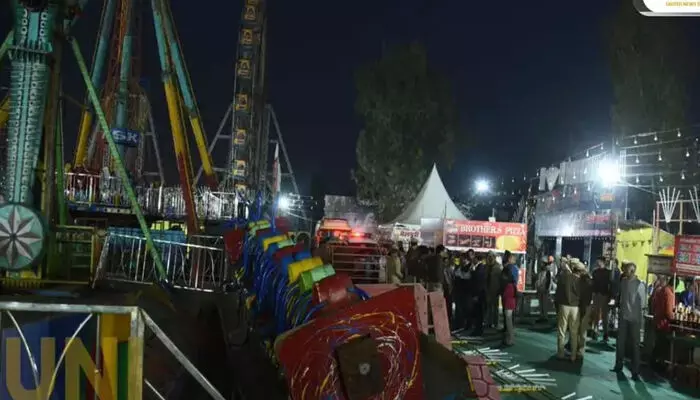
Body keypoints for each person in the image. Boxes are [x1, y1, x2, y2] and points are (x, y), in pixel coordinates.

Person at [611, 262, 646, 380]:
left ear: (632, 271)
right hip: (623, 316)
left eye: (626, 270)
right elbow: (621, 297)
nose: (624, 271)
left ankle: (635, 371)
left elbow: (643, 304)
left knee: (635, 345)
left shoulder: (640, 285)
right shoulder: (623, 282)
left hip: (634, 319)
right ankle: (618, 365)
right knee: (620, 342)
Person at [555, 258, 581, 361]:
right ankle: (573, 355)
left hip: (564, 305)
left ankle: (560, 353)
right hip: (575, 307)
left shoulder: (564, 277)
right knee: (574, 332)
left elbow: (559, 291)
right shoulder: (580, 280)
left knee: (562, 330)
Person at [651, 275, 675, 373]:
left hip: (657, 321)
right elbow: (669, 312)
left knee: (658, 344)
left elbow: (653, 305)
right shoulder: (669, 293)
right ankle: (658, 366)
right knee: (662, 346)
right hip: (664, 324)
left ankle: (653, 363)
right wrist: (673, 317)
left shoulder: (659, 291)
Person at [591, 257, 612, 342]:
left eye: (599, 261)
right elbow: (593, 283)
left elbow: (610, 285)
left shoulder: (608, 272)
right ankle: (595, 332)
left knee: (604, 316)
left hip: (604, 295)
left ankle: (605, 334)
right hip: (597, 295)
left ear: (602, 262)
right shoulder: (595, 272)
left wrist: (610, 297)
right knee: (596, 314)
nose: (597, 262)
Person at [454, 249, 476, 331]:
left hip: (467, 292)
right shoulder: (459, 267)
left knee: (467, 309)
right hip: (459, 292)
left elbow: (470, 278)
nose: (461, 260)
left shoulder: (471, 267)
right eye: (460, 259)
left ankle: (468, 325)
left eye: (463, 259)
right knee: (459, 309)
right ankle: (459, 324)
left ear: (466, 259)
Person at [576, 267, 594, 358]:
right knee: (582, 330)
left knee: (580, 329)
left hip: (582, 306)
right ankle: (580, 349)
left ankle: (579, 349)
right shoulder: (589, 282)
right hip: (586, 306)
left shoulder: (581, 282)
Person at [485, 252, 503, 329]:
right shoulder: (486, 267)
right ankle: (488, 322)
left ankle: (495, 323)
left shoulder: (498, 267)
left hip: (495, 290)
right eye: (489, 256)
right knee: (488, 307)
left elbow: (501, 279)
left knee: (495, 307)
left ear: (494, 257)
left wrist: (500, 290)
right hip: (487, 290)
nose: (490, 258)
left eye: (491, 256)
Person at [502, 266, 517, 346]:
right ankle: (509, 338)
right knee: (508, 322)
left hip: (509, 304)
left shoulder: (509, 285)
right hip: (510, 304)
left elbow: (506, 295)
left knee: (509, 323)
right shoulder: (511, 284)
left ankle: (511, 339)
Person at [535, 256, 553, 322]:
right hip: (540, 290)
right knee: (541, 304)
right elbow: (538, 280)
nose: (541, 264)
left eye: (542, 263)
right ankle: (541, 316)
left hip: (545, 290)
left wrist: (547, 289)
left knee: (544, 304)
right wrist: (537, 288)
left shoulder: (547, 272)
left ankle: (545, 317)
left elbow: (548, 281)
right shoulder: (540, 272)